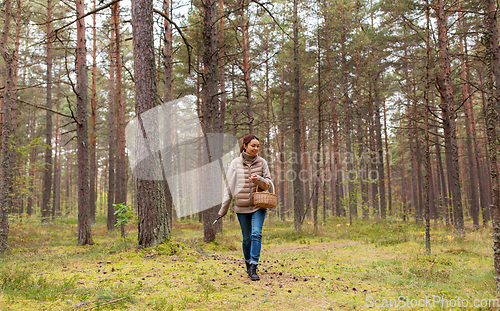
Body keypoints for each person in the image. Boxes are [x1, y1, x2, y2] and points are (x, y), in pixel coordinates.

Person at [218, 134, 271, 281]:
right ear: (245, 146)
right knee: (246, 238)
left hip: (258, 205)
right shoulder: (235, 163)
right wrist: (223, 210)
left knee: (256, 234)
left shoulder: (262, 163)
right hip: (241, 207)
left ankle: (254, 265)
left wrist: (259, 180)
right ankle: (248, 262)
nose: (256, 149)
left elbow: (268, 183)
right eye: (253, 145)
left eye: (258, 146)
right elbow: (229, 188)